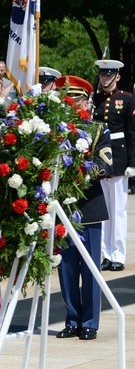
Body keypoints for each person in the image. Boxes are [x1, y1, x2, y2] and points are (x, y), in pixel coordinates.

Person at [55, 76, 112, 341]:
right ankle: (72, 318)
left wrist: (78, 174)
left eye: (75, 99)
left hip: (88, 206)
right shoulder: (55, 130)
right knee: (66, 268)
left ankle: (90, 321)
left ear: (85, 101)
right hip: (62, 209)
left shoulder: (99, 129)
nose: (70, 104)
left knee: (90, 269)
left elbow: (106, 164)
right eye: (66, 99)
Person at [91, 58, 135, 272]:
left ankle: (117, 254)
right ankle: (106, 254)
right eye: (102, 73)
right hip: (101, 160)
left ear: (117, 76)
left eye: (109, 74)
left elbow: (132, 133)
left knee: (117, 211)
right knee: (104, 210)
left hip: (118, 159)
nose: (105, 77)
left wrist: (132, 163)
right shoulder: (95, 99)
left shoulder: (127, 99)